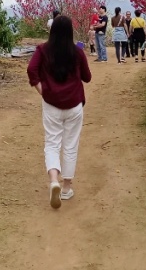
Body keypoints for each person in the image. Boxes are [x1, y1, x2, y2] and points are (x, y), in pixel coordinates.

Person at [27, 15, 91, 209]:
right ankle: (66, 188)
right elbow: (87, 78)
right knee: (70, 145)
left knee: (52, 144)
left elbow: (31, 70)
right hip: (74, 105)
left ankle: (53, 180)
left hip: (52, 105)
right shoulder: (77, 52)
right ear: (71, 31)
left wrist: (42, 90)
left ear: (52, 30)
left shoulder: (42, 50)